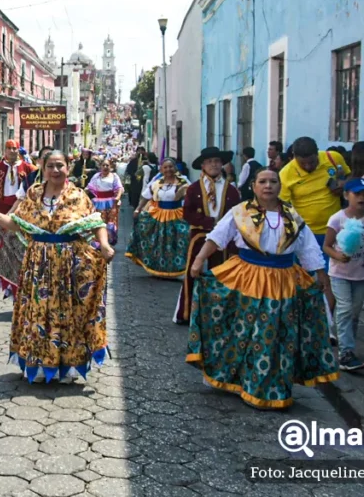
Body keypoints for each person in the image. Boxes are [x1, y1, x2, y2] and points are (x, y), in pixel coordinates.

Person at [186, 168, 338, 409]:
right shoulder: (241, 212)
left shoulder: (292, 215)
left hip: (283, 281)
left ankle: (270, 389)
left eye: (273, 181)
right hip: (248, 277)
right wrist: (197, 262)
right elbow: (217, 237)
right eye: (262, 181)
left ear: (280, 186)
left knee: (276, 334)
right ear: (254, 186)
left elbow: (307, 246)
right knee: (246, 331)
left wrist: (320, 274)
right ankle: (242, 381)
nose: (268, 186)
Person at [0, 150, 115, 383]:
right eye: (50, 166)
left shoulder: (78, 196)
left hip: (69, 268)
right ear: (43, 168)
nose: (55, 170)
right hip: (37, 268)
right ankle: (40, 365)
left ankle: (67, 367)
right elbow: (16, 224)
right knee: (37, 314)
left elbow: (97, 223)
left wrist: (104, 245)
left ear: (68, 168)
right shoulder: (33, 195)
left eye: (60, 165)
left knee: (67, 314)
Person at [174, 147, 242, 325]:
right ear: (203, 166)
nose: (214, 164)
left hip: (225, 240)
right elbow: (187, 213)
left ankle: (221, 312)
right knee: (194, 272)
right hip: (200, 236)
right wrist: (209, 222)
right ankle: (188, 312)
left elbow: (238, 214)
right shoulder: (194, 188)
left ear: (222, 165)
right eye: (210, 162)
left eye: (217, 161)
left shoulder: (232, 190)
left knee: (222, 273)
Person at [322, 178, 364, 372]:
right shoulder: (337, 219)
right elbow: (327, 246)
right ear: (346, 195)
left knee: (354, 313)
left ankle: (346, 342)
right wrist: (338, 256)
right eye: (357, 194)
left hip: (362, 275)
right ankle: (346, 353)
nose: (362, 198)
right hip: (339, 273)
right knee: (345, 309)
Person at [279, 136, 351, 252]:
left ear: (317, 152)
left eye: (312, 162)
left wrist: (343, 185)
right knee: (308, 269)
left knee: (335, 268)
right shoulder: (286, 173)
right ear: (294, 157)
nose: (308, 166)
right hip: (305, 234)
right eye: (302, 163)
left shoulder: (333, 158)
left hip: (336, 229)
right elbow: (283, 206)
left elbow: (350, 176)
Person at [126, 158, 190, 279]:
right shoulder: (156, 182)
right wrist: (138, 209)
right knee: (159, 242)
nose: (168, 170)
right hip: (159, 214)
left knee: (177, 241)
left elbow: (191, 196)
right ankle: (158, 268)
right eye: (165, 167)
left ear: (175, 168)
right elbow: (145, 196)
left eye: (170, 167)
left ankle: (177, 271)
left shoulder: (183, 181)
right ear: (161, 169)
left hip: (177, 214)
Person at [0, 140, 31, 296]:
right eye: (10, 149)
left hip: (21, 213)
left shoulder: (28, 168)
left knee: (18, 246)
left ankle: (18, 282)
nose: (13, 151)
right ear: (4, 150)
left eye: (15, 149)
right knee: (2, 247)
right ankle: (5, 280)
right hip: (2, 209)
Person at [87, 159, 124, 246]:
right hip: (98, 202)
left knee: (110, 223)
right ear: (100, 167)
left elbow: (119, 188)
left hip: (111, 202)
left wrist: (118, 197)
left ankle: (109, 240)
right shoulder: (96, 176)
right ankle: (100, 242)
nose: (105, 167)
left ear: (110, 167)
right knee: (99, 222)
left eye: (107, 165)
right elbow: (89, 187)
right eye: (103, 165)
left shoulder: (114, 176)